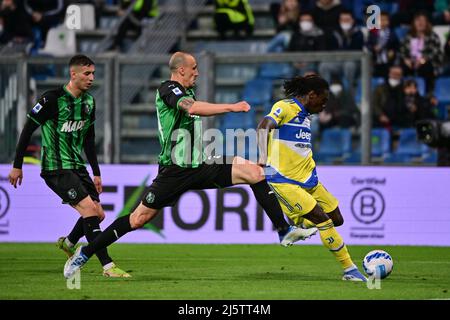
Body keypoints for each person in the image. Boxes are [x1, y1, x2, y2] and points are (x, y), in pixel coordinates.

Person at [63, 52, 317, 279]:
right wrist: (232, 107)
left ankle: (284, 231)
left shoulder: (187, 91)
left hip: (200, 163)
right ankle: (86, 252)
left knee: (255, 172)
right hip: (175, 170)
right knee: (139, 219)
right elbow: (192, 108)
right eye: (193, 68)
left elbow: (193, 106)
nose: (197, 72)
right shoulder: (168, 89)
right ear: (180, 69)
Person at [8, 54, 130, 278]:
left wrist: (96, 172)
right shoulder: (51, 99)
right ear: (73, 74)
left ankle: (70, 242)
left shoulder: (89, 102)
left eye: (93, 73)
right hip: (56, 167)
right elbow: (27, 130)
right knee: (90, 210)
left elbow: (89, 139)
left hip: (77, 165)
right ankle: (108, 266)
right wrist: (18, 165)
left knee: (99, 214)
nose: (92, 77)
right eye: (87, 73)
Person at [256, 74, 367, 281]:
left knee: (337, 219)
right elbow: (264, 125)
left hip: (309, 180)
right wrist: (262, 156)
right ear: (311, 95)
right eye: (323, 100)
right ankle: (350, 270)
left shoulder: (307, 115)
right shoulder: (286, 107)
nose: (324, 105)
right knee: (323, 221)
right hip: (284, 180)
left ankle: (300, 225)